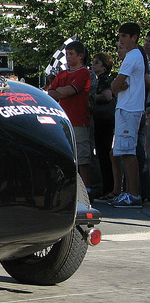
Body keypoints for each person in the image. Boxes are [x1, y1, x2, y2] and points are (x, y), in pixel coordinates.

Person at [108, 22, 146, 208]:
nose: (121, 40)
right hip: (126, 107)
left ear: (134, 38)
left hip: (130, 108)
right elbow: (119, 85)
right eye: (120, 36)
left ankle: (134, 193)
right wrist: (118, 86)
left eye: (124, 36)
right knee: (123, 151)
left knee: (129, 152)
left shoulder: (133, 55)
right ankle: (128, 191)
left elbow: (115, 85)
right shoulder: (134, 56)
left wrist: (116, 86)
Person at [47, 41, 92, 193]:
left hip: (79, 119)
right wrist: (61, 91)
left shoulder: (84, 73)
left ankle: (86, 189)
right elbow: (51, 92)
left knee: (83, 158)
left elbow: (70, 90)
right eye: (67, 54)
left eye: (71, 54)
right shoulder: (62, 74)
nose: (68, 57)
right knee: (66, 156)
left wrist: (60, 90)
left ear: (80, 56)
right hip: (63, 120)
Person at [92, 53, 116, 199]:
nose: (93, 65)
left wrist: (92, 97)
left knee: (104, 153)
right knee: (102, 152)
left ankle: (107, 188)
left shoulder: (104, 79)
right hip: (103, 120)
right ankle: (107, 187)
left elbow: (107, 96)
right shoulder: (99, 79)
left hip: (104, 120)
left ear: (104, 66)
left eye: (96, 63)